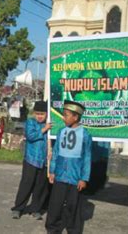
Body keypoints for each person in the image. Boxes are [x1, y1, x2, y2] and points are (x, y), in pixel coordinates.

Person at [45, 100, 92, 233]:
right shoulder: (61, 132)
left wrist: (84, 178)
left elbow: (87, 157)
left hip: (75, 177)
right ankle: (52, 228)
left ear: (76, 117)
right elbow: (55, 153)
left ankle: (73, 230)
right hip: (60, 175)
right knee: (55, 204)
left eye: (66, 115)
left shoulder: (85, 134)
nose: (63, 117)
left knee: (73, 206)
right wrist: (52, 171)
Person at [11, 101, 51, 220]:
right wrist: (44, 129)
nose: (39, 116)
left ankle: (36, 209)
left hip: (44, 162)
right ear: (34, 113)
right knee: (26, 184)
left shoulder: (50, 125)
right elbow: (31, 136)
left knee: (41, 187)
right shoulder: (30, 122)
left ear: (47, 114)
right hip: (31, 160)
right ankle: (18, 208)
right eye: (37, 113)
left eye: (42, 114)